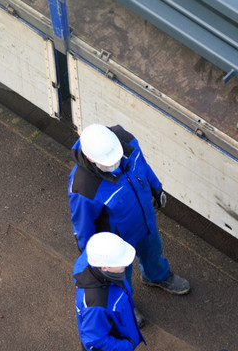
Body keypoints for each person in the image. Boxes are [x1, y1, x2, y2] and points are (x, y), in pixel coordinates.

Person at [69, 123, 190, 297]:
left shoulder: (127, 141)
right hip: (117, 240)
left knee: (153, 250)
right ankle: (125, 302)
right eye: (109, 163)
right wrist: (90, 254)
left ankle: (156, 276)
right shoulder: (83, 187)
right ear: (90, 159)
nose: (116, 164)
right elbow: (82, 224)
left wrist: (156, 187)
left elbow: (143, 166)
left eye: (117, 158)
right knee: (120, 274)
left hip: (144, 219)